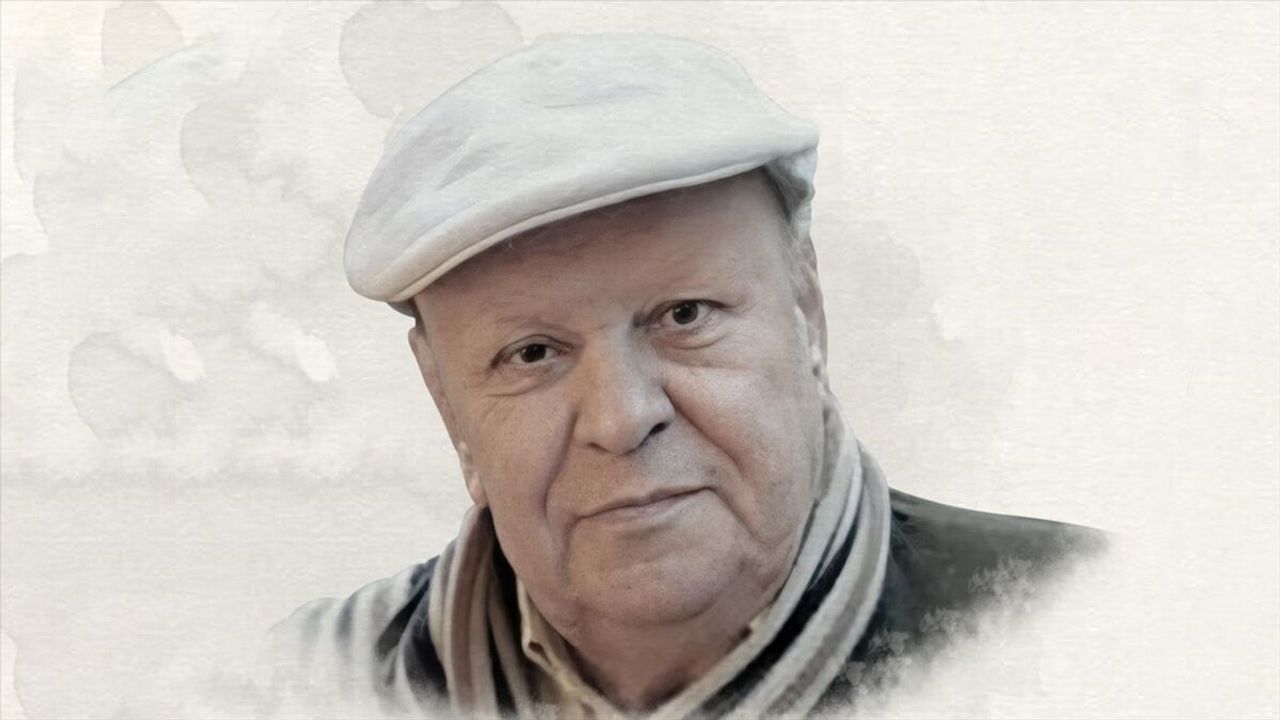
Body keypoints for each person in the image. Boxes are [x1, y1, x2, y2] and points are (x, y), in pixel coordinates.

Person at [262, 33, 1106, 719]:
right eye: (533, 354)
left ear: (807, 311)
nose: (621, 419)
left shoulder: (1085, 630)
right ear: (447, 405)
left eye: (685, 315)